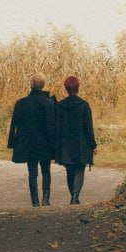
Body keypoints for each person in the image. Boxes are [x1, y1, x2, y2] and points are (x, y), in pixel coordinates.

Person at [7, 73, 57, 207]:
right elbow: (52, 126)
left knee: (32, 171)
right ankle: (46, 199)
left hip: (28, 143)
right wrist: (55, 145)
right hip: (45, 143)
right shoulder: (49, 103)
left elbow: (14, 124)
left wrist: (12, 142)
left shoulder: (21, 103)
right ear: (43, 85)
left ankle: (34, 200)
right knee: (46, 170)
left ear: (31, 85)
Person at [55, 74, 97, 204]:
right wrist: (93, 144)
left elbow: (56, 127)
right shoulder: (84, 105)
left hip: (65, 144)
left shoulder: (60, 106)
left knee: (70, 170)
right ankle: (75, 196)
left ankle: (73, 195)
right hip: (81, 143)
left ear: (66, 88)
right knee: (80, 169)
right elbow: (88, 127)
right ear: (78, 87)